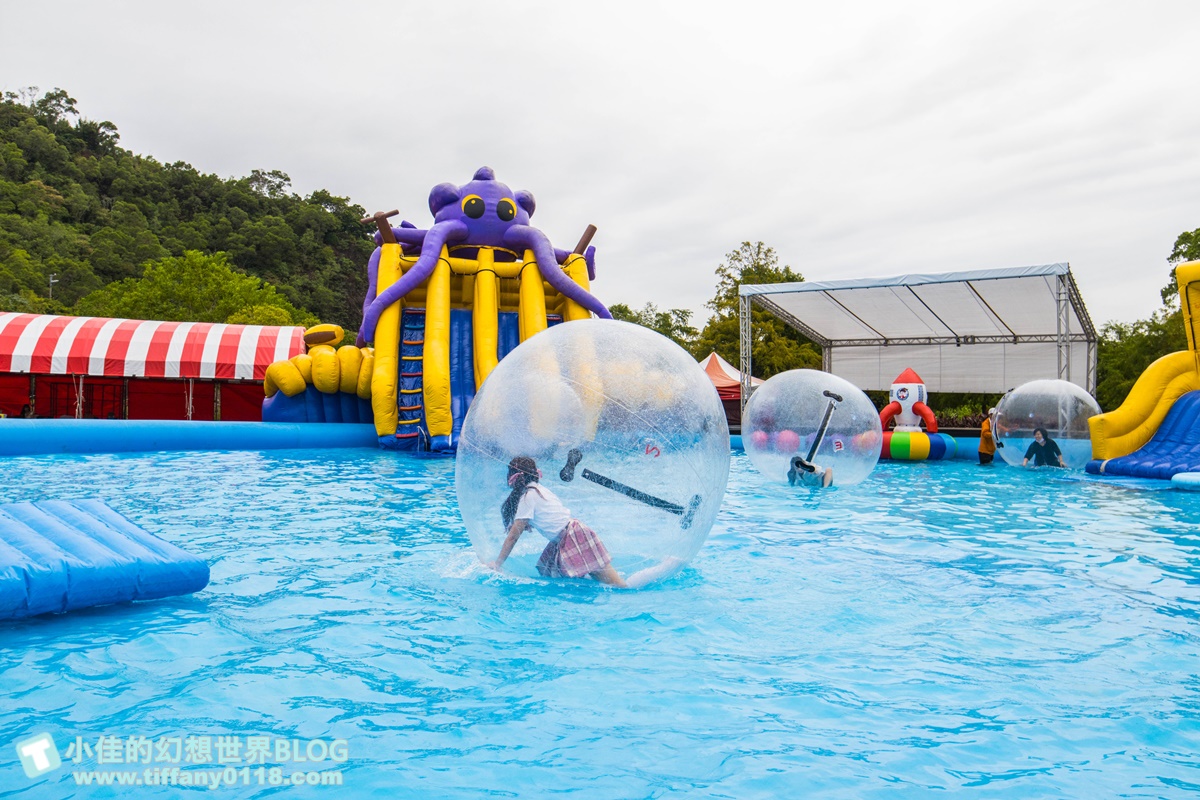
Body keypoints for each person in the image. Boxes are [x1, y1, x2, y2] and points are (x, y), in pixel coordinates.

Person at [492, 456, 628, 587]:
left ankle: (631, 587)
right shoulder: (539, 490)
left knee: (616, 584)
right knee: (548, 570)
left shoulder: (528, 497)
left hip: (572, 537)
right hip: (570, 534)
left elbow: (513, 538)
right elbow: (548, 514)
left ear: (513, 477)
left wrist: (498, 564)